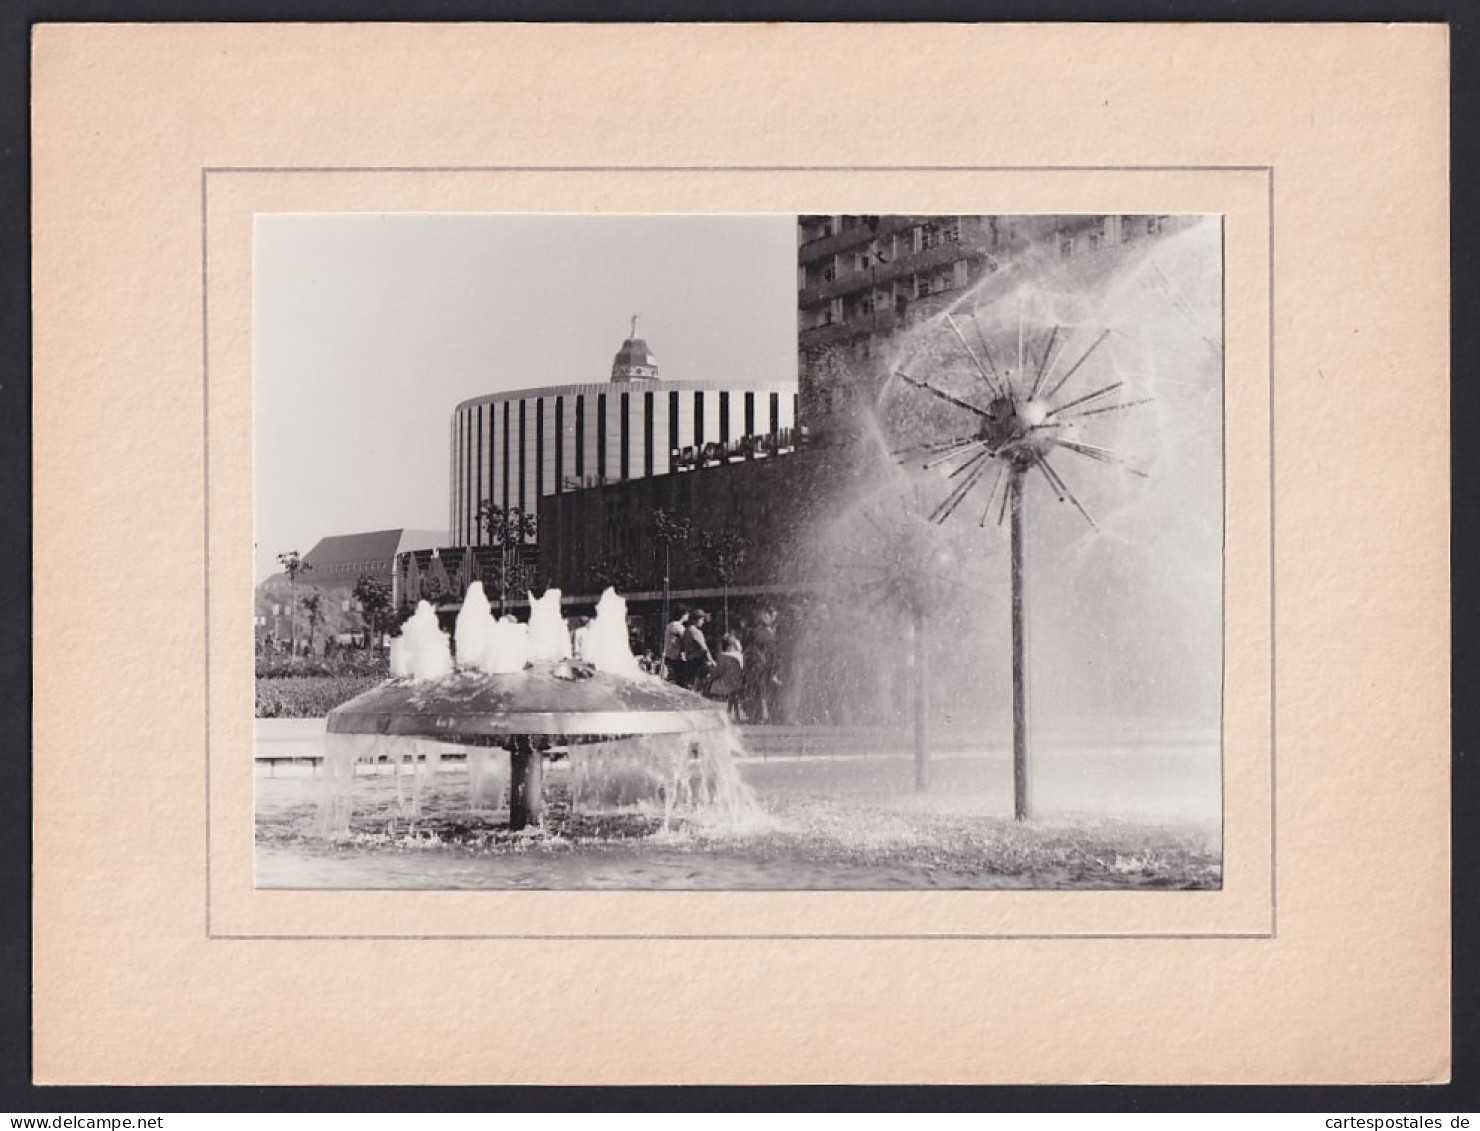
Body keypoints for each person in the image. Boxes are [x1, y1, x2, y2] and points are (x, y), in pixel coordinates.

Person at [743, 605, 780, 723]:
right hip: (761, 665)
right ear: (766, 615)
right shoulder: (760, 632)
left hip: (761, 665)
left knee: (759, 690)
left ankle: (758, 715)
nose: (773, 619)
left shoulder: (759, 631)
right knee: (759, 690)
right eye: (772, 616)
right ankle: (759, 716)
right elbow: (769, 650)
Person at [704, 633, 745, 719]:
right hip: (738, 681)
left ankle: (706, 703)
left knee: (709, 684)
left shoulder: (723, 656)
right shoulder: (740, 655)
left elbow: (718, 671)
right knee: (733, 694)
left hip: (726, 682)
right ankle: (733, 713)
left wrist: (710, 679)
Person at [679, 609, 715, 689]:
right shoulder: (696, 631)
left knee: (690, 684)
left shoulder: (687, 630)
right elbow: (704, 648)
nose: (703, 622)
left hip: (689, 660)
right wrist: (711, 661)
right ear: (697, 619)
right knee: (698, 685)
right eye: (702, 619)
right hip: (698, 661)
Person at [661, 607, 690, 682]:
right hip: (675, 656)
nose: (688, 616)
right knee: (680, 679)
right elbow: (686, 638)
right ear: (682, 615)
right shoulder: (677, 626)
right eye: (687, 614)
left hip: (669, 654)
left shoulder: (670, 625)